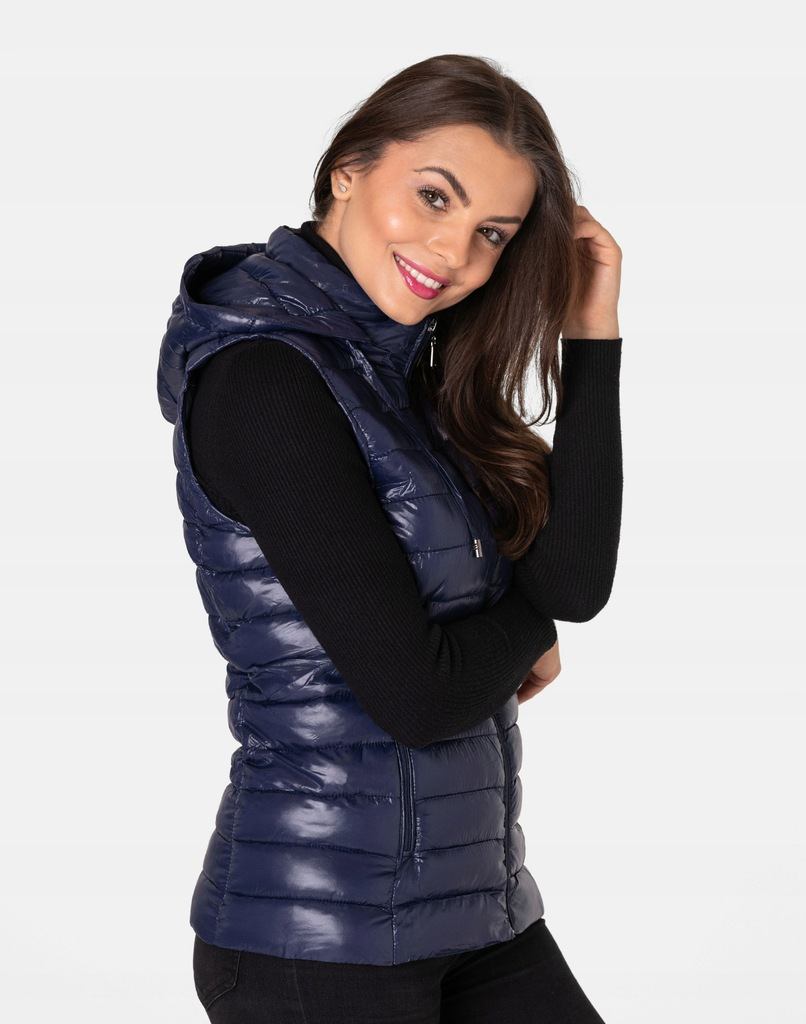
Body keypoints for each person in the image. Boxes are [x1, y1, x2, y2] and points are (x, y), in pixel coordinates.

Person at [157, 53, 622, 1024]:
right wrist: (520, 634)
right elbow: (420, 694)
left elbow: (574, 583)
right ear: (349, 169)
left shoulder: (405, 377)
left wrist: (590, 335)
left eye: (491, 234)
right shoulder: (265, 380)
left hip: (477, 912)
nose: (453, 253)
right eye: (433, 197)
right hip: (317, 941)